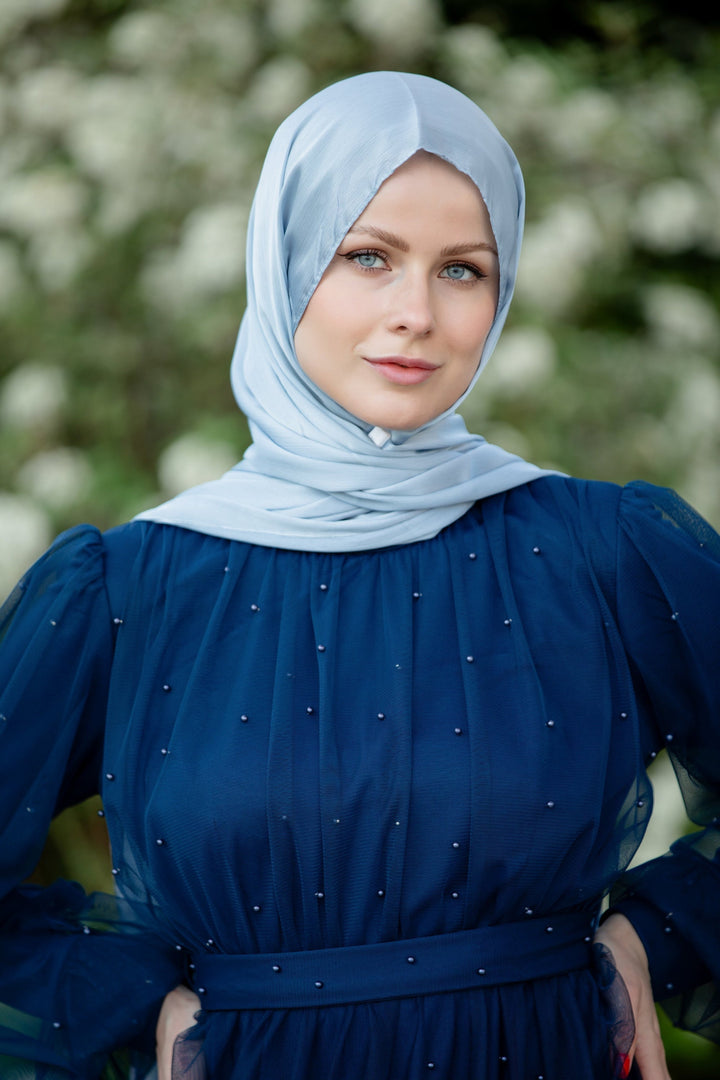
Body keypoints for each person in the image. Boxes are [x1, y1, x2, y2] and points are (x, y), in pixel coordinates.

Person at [0, 71, 718, 1080]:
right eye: (367, 255)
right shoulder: (129, 589)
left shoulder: (601, 550)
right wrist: (140, 1008)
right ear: (284, 262)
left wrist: (653, 937)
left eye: (462, 269)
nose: (416, 313)